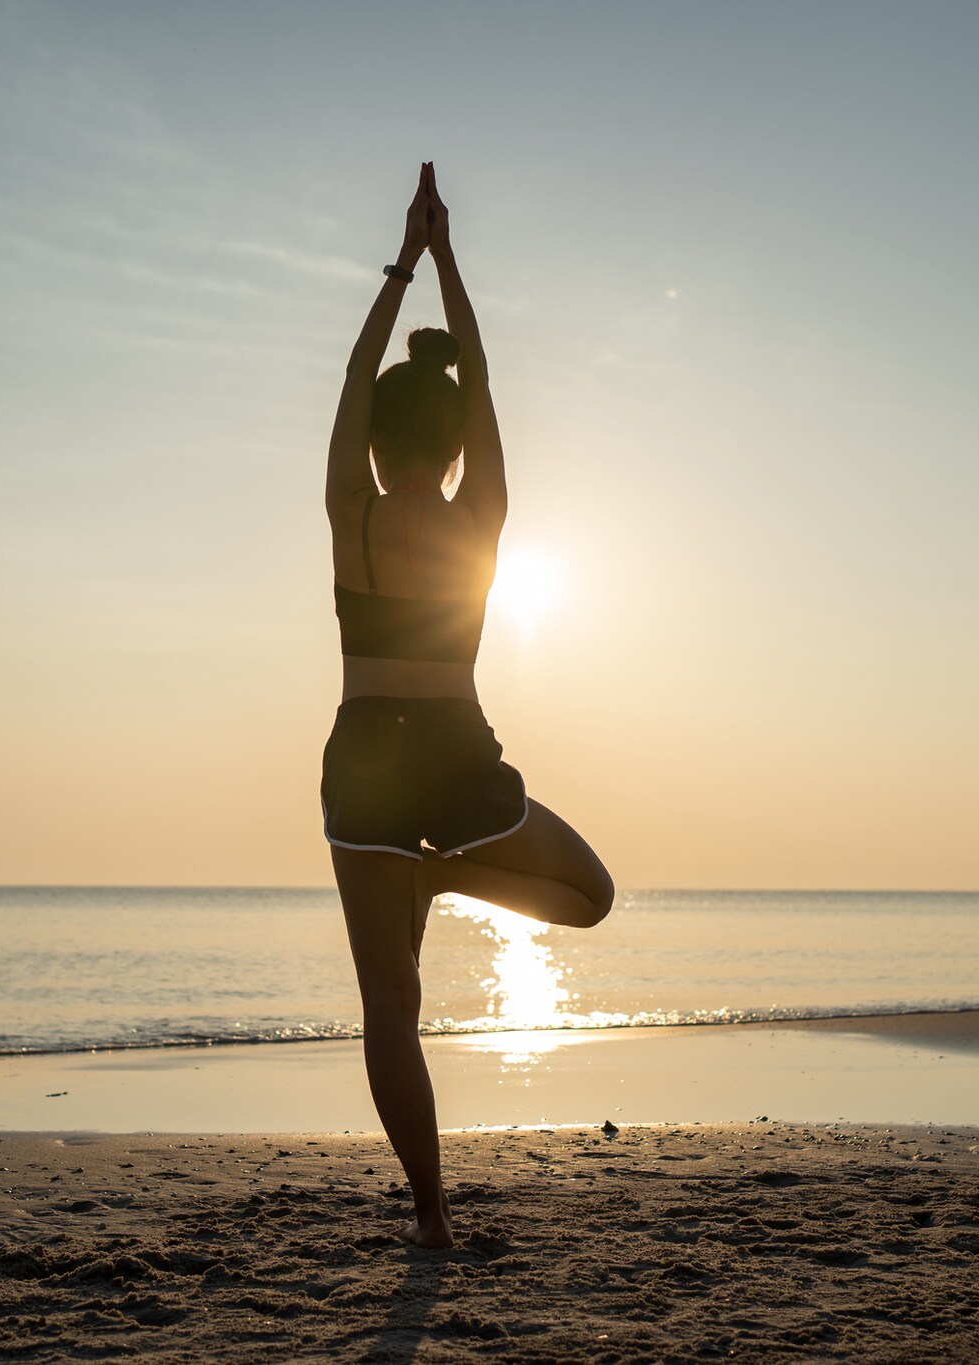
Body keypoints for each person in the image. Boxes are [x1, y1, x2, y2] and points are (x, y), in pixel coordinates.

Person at [322, 164, 615, 1248]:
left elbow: (356, 370)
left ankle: (433, 1220)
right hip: (452, 755)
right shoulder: (481, 515)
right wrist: (447, 257)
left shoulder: (347, 513)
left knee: (388, 1015)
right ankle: (448, 872)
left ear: (375, 443)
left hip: (362, 760)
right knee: (587, 895)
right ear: (449, 447)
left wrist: (401, 260)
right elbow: (480, 381)